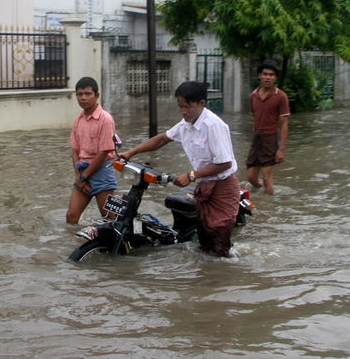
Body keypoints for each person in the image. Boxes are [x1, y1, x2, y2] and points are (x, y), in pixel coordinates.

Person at [118, 81, 239, 257]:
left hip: (223, 187)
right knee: (205, 240)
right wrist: (130, 152)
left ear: (201, 104)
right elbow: (161, 139)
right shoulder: (185, 124)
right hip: (204, 187)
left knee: (219, 240)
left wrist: (191, 175)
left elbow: (225, 163)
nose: (184, 111)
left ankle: (222, 279)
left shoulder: (213, 125)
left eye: (188, 107)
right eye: (180, 107)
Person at [66, 77, 117, 224]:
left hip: (101, 171)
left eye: (88, 94)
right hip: (82, 171)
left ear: (96, 95)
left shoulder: (105, 119)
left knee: (109, 219)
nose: (83, 97)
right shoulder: (78, 120)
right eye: (80, 94)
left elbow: (104, 152)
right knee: (71, 216)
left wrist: (84, 177)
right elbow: (75, 150)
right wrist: (79, 177)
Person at [246, 59, 290, 195]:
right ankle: (260, 195)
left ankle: (269, 209)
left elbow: (284, 123)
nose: (267, 77)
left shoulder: (281, 97)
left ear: (275, 77)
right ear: (260, 75)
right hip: (257, 138)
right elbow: (254, 116)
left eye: (271, 75)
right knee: (251, 178)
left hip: (270, 139)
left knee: (267, 178)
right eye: (265, 74)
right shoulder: (253, 96)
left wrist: (281, 149)